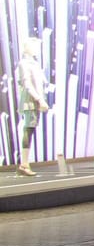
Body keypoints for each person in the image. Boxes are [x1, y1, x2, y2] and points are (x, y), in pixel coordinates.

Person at [13, 39, 50, 176]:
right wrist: (39, 100)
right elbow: (27, 84)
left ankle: (24, 163)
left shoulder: (34, 64)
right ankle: (24, 164)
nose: (37, 49)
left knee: (30, 130)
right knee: (28, 130)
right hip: (30, 102)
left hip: (35, 102)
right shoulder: (24, 64)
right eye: (35, 46)